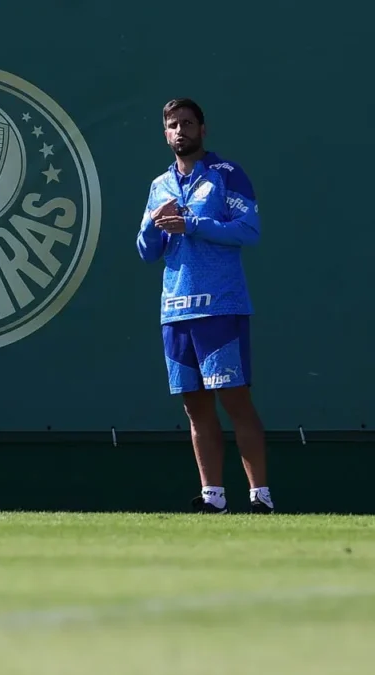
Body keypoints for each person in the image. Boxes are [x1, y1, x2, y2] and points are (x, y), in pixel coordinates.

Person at [136, 98, 274, 515]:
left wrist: (192, 224)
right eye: (174, 125)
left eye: (188, 123)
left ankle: (260, 497)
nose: (181, 130)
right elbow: (146, 251)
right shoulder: (159, 185)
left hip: (220, 305)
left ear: (203, 129)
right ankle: (213, 497)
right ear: (165, 134)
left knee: (235, 401)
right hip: (176, 309)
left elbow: (249, 231)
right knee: (194, 406)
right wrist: (151, 224)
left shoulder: (227, 175)